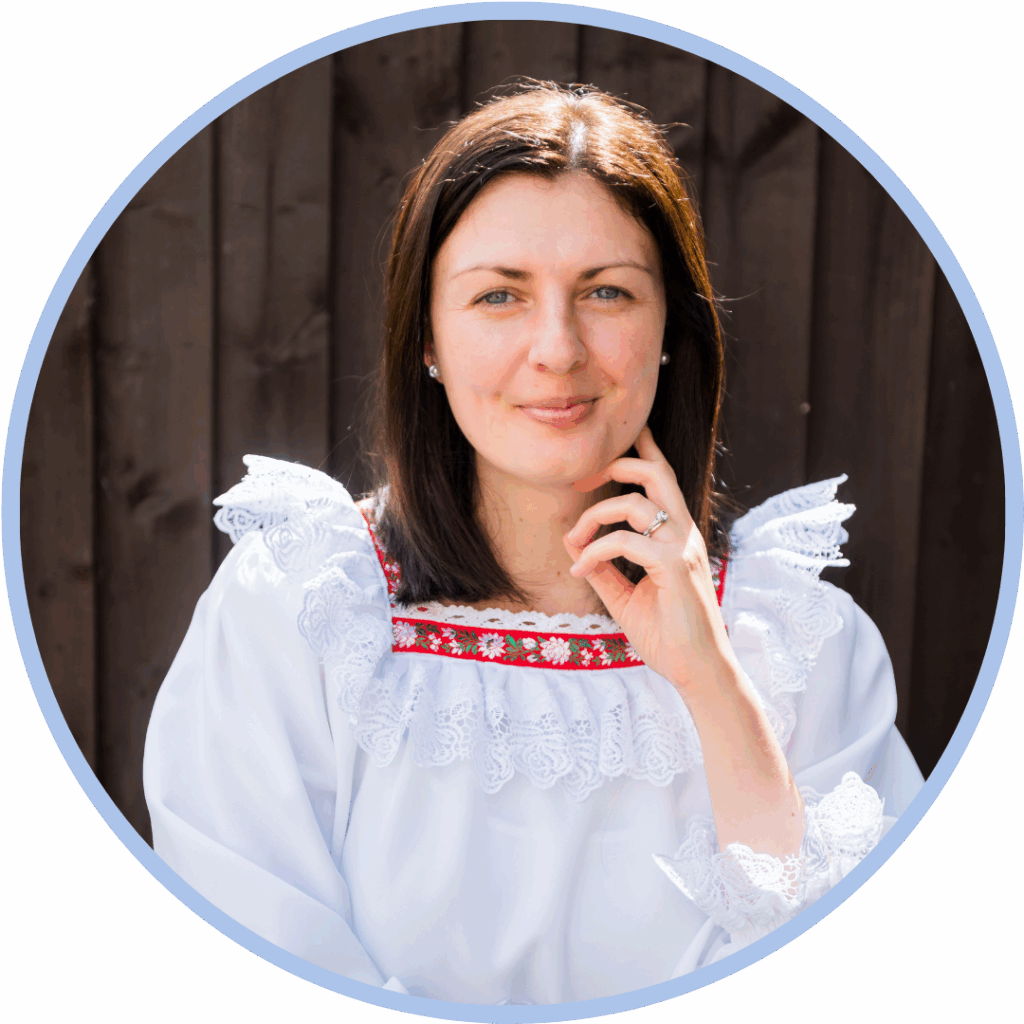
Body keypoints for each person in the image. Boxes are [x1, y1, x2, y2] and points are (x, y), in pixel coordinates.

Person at [143, 82, 924, 1004]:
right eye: (499, 296)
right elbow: (248, 959)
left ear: (669, 325)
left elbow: (864, 979)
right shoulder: (300, 609)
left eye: (607, 291)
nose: (557, 348)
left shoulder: (798, 639)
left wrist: (713, 682)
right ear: (425, 338)